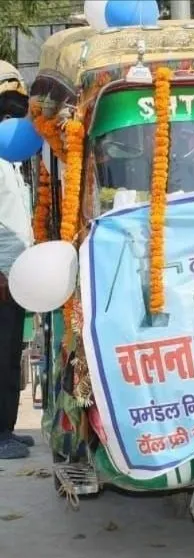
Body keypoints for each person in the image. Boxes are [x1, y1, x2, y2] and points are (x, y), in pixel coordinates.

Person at [0, 62, 33, 460]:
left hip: (16, 275)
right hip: (1, 275)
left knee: (11, 354)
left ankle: (6, 427)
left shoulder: (11, 156)